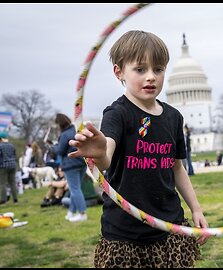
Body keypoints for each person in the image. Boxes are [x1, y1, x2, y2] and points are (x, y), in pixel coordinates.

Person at [68, 30, 209, 268]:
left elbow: (177, 168)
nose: (151, 77)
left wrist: (196, 209)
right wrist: (100, 151)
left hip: (169, 226)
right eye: (140, 69)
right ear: (119, 72)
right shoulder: (117, 114)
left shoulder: (174, 117)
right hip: (126, 233)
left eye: (158, 69)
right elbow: (106, 158)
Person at [53, 113, 88, 222]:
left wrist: (54, 146)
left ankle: (82, 214)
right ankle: (71, 213)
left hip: (70, 164)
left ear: (60, 124)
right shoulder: (77, 130)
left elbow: (60, 151)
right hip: (82, 162)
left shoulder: (64, 135)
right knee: (76, 189)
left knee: (75, 189)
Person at [0, 132, 18, 205]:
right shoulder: (12, 146)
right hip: (12, 166)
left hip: (2, 167)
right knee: (12, 183)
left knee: (2, 184)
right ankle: (15, 199)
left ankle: (3, 200)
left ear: (0, 139)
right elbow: (15, 156)